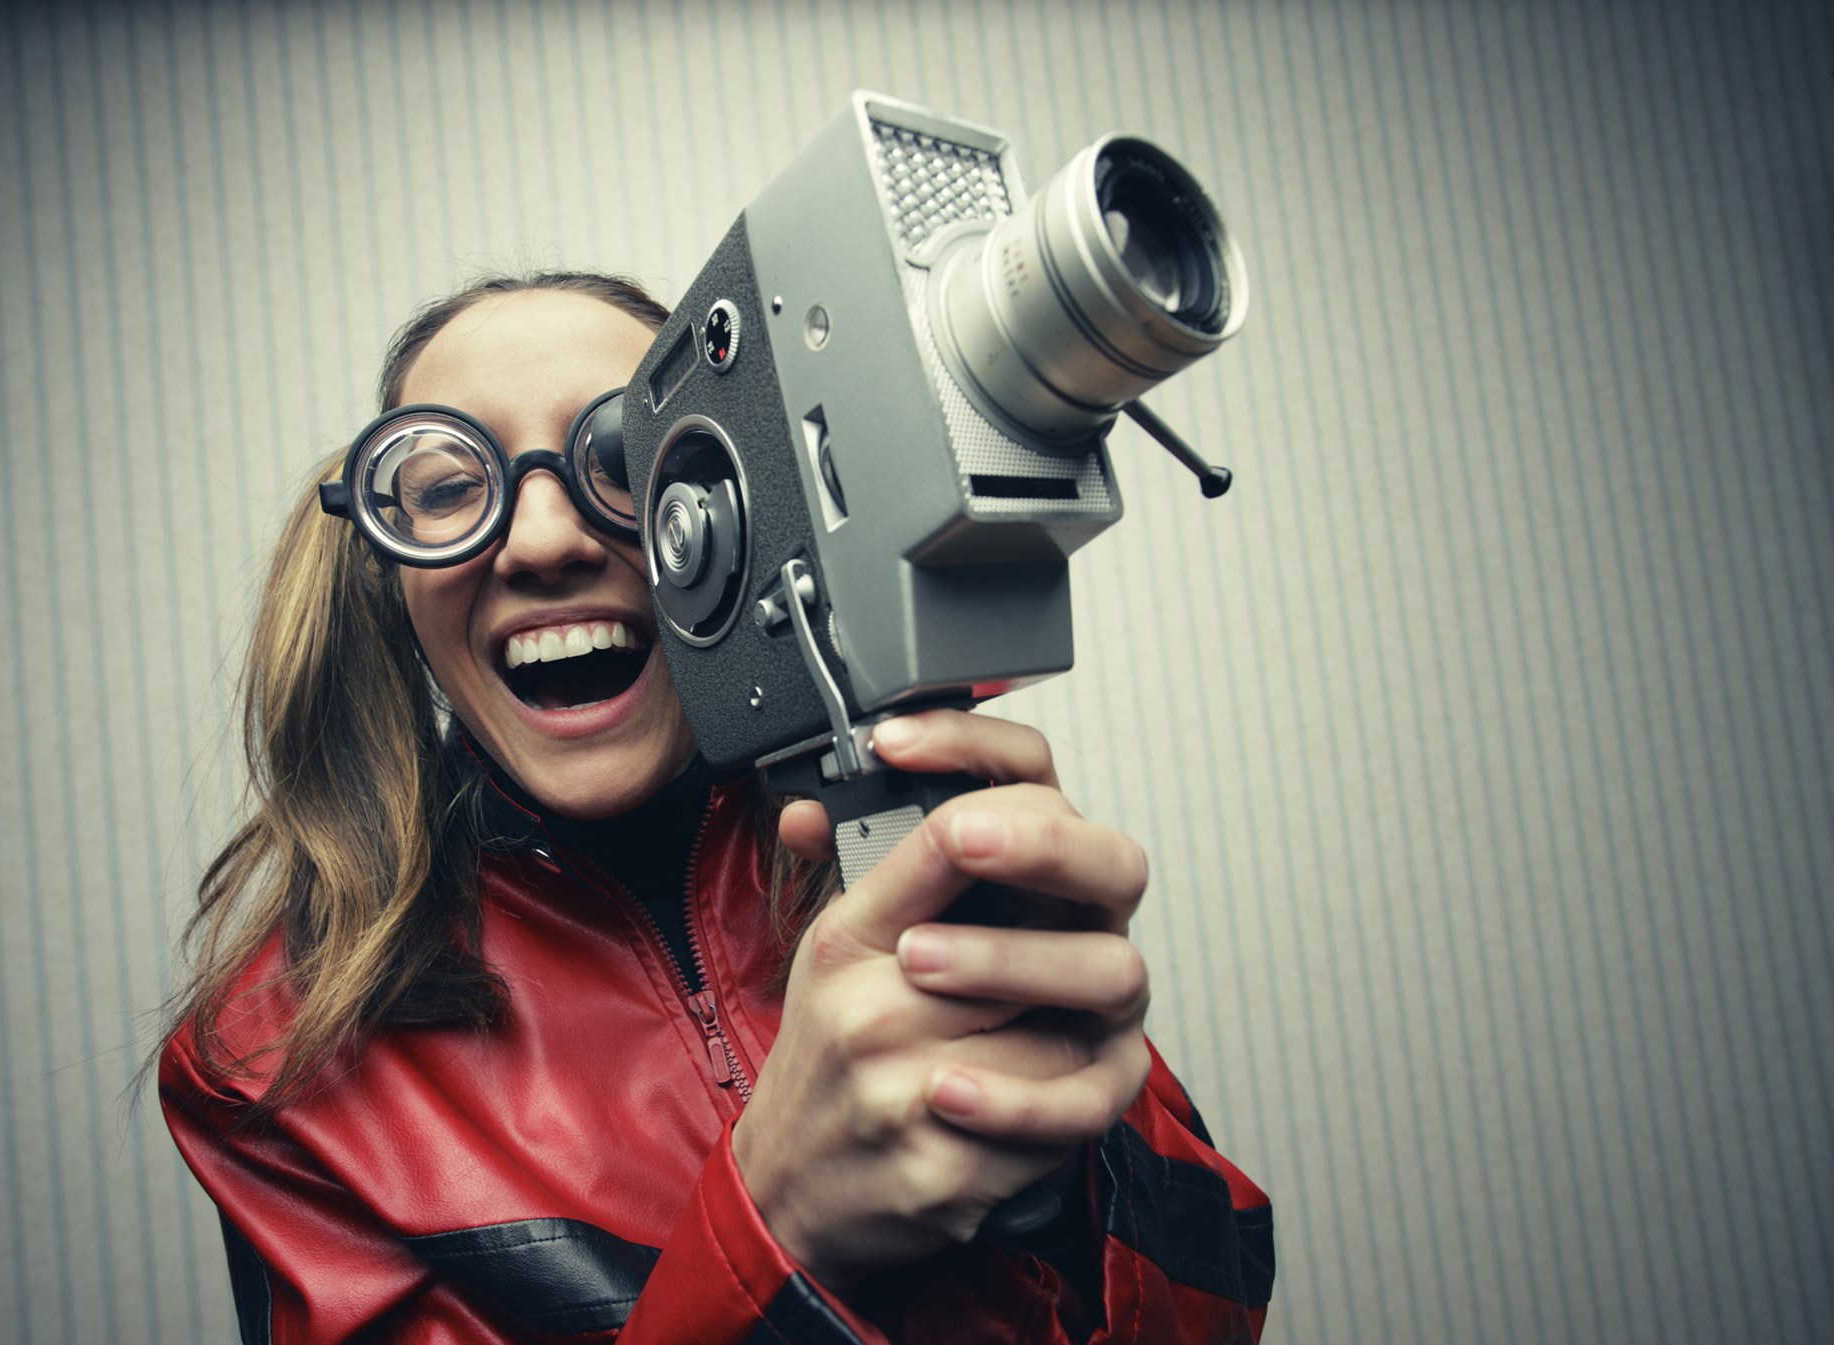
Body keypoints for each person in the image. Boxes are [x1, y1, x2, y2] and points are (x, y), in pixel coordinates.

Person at [159, 270, 1273, 1343]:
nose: (542, 542)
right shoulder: (269, 1065)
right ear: (389, 569)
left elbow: (1218, 1297)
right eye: (450, 487)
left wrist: (1069, 1174)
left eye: (626, 457)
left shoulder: (916, 846)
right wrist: (771, 1228)